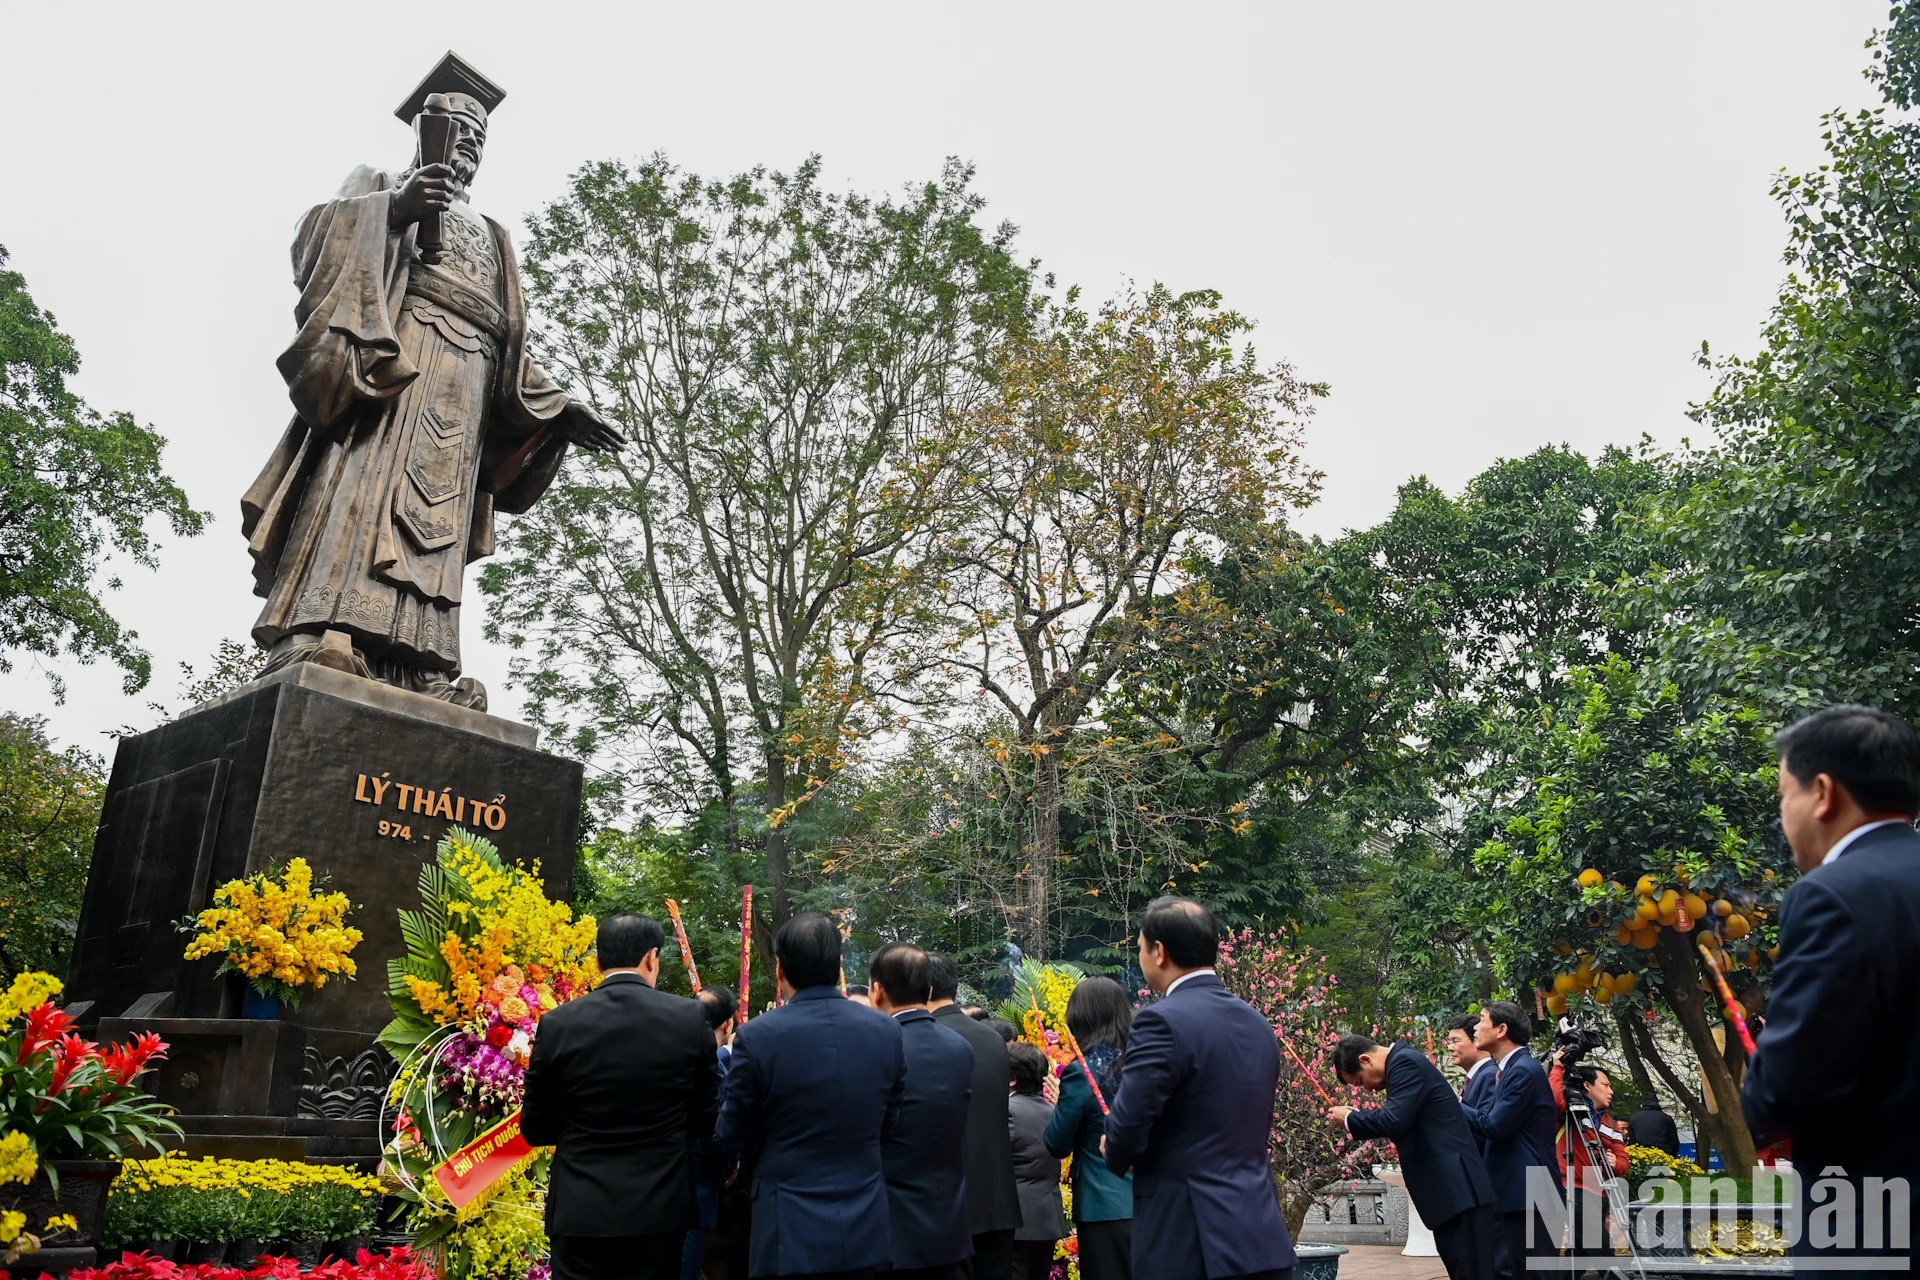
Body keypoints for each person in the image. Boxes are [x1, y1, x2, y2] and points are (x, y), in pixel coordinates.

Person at [242, 53, 624, 709]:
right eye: (458, 133)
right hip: (398, 366)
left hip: (469, 385)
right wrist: (394, 209)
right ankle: (325, 631)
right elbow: (316, 239)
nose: (468, 147)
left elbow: (508, 340)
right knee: (366, 494)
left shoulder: (495, 235)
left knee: (435, 522)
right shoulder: (383, 181)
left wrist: (560, 408)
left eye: (479, 139)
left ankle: (420, 662)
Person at [1745, 705, 1920, 1276]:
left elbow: (1790, 1090)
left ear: (1822, 792)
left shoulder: (1831, 896)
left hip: (1873, 1229)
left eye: (1782, 797)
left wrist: (1760, 1081)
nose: (1782, 817)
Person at [1103, 896, 1296, 1280]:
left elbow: (1128, 1125)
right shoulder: (1257, 1023)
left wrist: (1113, 1145)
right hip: (1261, 1235)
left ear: (1159, 952)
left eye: (1140, 947)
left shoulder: (1160, 1021)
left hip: (1190, 1241)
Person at [523, 913, 722, 1280]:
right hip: (660, 1209)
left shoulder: (558, 1024)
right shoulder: (688, 1018)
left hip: (580, 1209)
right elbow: (705, 1119)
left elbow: (535, 1127)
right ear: (652, 957)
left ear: (598, 962)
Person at [712, 913, 906, 1280]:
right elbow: (890, 1122)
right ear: (838, 965)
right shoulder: (886, 1031)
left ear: (780, 968)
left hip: (787, 1221)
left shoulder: (759, 1036)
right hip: (865, 1215)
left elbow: (731, 1134)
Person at [1327, 1035, 1497, 1280]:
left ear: (1366, 1059)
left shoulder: (1405, 1063)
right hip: (1452, 1192)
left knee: (1472, 1271)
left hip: (1458, 1190)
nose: (1368, 1089)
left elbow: (1395, 1121)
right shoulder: (1403, 1063)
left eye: (1361, 1081)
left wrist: (1350, 1119)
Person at [870, 943, 975, 1280]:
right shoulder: (960, 1048)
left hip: (891, 1223)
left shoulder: (877, 1046)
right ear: (930, 990)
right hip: (949, 1220)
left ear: (877, 991)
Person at [928, 954, 1023, 1279]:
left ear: (923, 988)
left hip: (947, 1202)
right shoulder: (993, 1039)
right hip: (997, 1198)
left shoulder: (926, 1037)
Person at [1459, 1000, 1560, 1280]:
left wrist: (1454, 1102)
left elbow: (1494, 1125)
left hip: (1530, 1190)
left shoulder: (1522, 1070)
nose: (1476, 1027)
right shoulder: (1510, 1069)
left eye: (1481, 1020)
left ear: (1501, 1029)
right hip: (1519, 1190)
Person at [1044, 978, 1133, 1280]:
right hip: (1154, 1199)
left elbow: (1057, 1143)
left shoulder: (1083, 1071)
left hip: (1104, 1202)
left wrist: (1059, 1105)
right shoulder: (1144, 1060)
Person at [1546, 1053, 1627, 1264]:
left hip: (1597, 1194)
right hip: (1571, 1188)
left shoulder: (1612, 1124)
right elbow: (1553, 1100)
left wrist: (1615, 1164)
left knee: (1579, 1258)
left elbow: (1623, 1161)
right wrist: (1557, 1068)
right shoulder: (1570, 1111)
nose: (1611, 1091)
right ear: (1587, 1086)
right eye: (1606, 1085)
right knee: (1603, 1253)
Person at [683, 985, 739, 1280]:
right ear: (728, 1024)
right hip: (698, 1187)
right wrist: (732, 1160)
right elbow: (715, 1130)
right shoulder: (711, 1064)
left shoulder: (672, 1055)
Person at [1006, 1043, 1066, 1280]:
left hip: (1019, 1216)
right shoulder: (1052, 1110)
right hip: (1047, 1215)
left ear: (1012, 1079)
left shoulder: (1008, 1109)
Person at [1446, 1013, 1495, 1119]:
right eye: (1449, 1042)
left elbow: (1484, 1124)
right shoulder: (1477, 1075)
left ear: (1476, 1040)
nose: (1450, 1047)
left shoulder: (1490, 1075)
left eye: (1455, 1041)